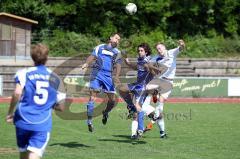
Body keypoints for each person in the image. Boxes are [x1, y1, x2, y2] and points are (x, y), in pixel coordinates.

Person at [6, 43, 66, 159]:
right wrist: (49, 104)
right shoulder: (55, 78)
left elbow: (17, 93)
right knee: (34, 155)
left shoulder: (23, 73)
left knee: (23, 154)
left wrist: (10, 113)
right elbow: (62, 107)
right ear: (47, 57)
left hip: (22, 120)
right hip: (41, 123)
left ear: (32, 57)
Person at [118, 43, 166, 139]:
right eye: (139, 50)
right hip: (136, 85)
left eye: (141, 51)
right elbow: (136, 67)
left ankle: (144, 130)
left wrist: (153, 69)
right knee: (121, 89)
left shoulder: (149, 60)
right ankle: (132, 110)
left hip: (142, 87)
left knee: (140, 110)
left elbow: (152, 71)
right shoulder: (140, 59)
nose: (139, 52)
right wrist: (127, 61)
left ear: (146, 52)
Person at [143, 39, 185, 138]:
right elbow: (147, 65)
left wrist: (182, 44)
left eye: (160, 48)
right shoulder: (156, 58)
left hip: (168, 82)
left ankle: (153, 125)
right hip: (159, 80)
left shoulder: (171, 53)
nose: (159, 50)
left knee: (160, 105)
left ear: (164, 48)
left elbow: (181, 48)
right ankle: (153, 95)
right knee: (146, 88)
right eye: (157, 49)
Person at [81, 33, 122, 132]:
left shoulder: (117, 52)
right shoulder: (100, 47)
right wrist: (86, 63)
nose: (118, 40)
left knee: (112, 101)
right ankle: (89, 121)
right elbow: (92, 56)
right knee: (92, 97)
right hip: (97, 73)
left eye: (119, 39)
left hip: (108, 76)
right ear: (111, 38)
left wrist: (116, 76)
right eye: (116, 38)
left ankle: (106, 112)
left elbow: (118, 65)